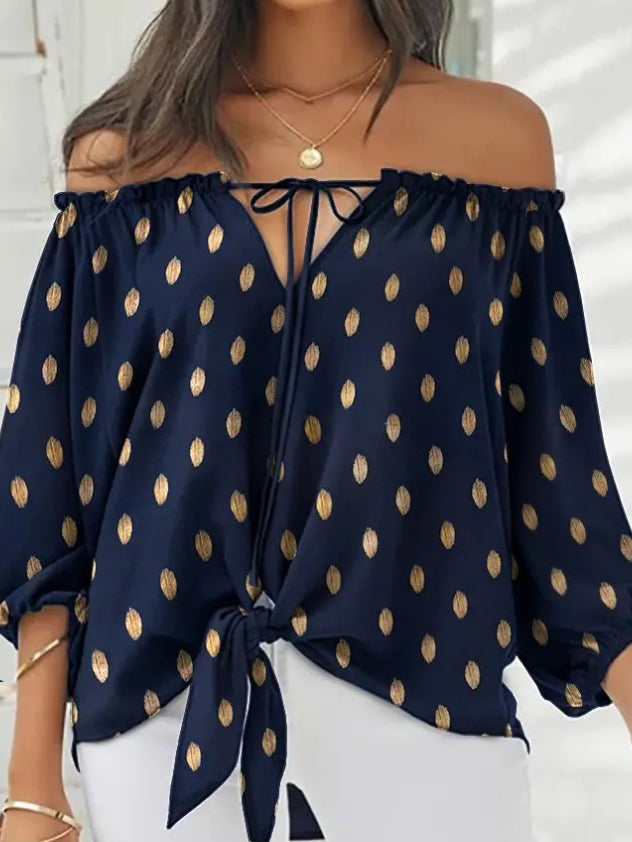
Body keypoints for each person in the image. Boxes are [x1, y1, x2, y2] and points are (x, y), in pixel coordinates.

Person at [2, 1, 632, 841]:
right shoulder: (122, 158)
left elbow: (561, 490)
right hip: (165, 736)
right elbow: (51, 490)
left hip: (429, 729)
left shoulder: (497, 141)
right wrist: (31, 787)